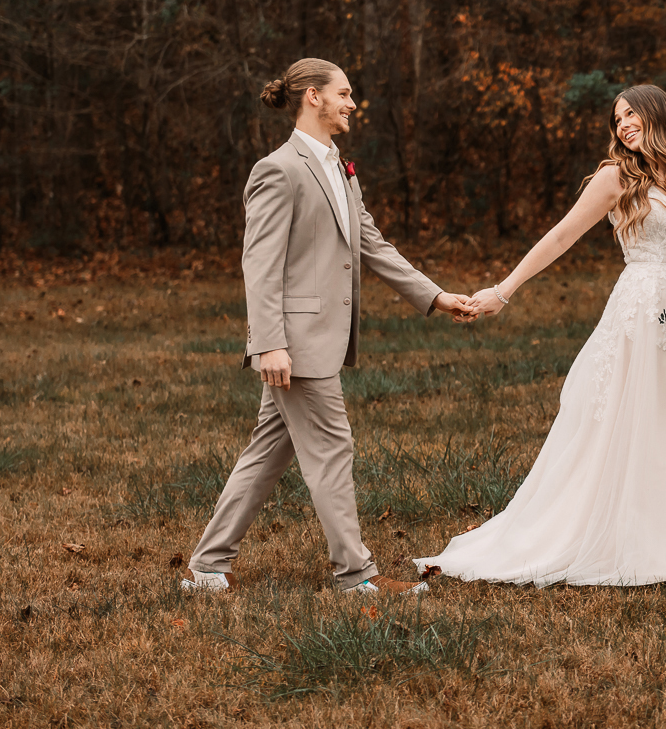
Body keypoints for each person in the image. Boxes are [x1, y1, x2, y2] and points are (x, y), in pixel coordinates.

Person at [414, 84, 666, 587]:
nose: (624, 124)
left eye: (632, 114)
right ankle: (632, 534)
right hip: (640, 310)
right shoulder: (615, 177)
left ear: (659, 115)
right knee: (632, 419)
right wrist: (504, 289)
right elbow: (562, 234)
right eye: (617, 119)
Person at [182, 58, 474, 596]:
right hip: (296, 342)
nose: (352, 103)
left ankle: (207, 566)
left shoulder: (338, 166)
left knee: (268, 450)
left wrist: (434, 296)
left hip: (314, 341)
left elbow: (371, 243)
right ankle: (356, 575)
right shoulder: (279, 169)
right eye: (344, 93)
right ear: (312, 97)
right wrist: (268, 343)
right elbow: (260, 264)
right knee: (334, 446)